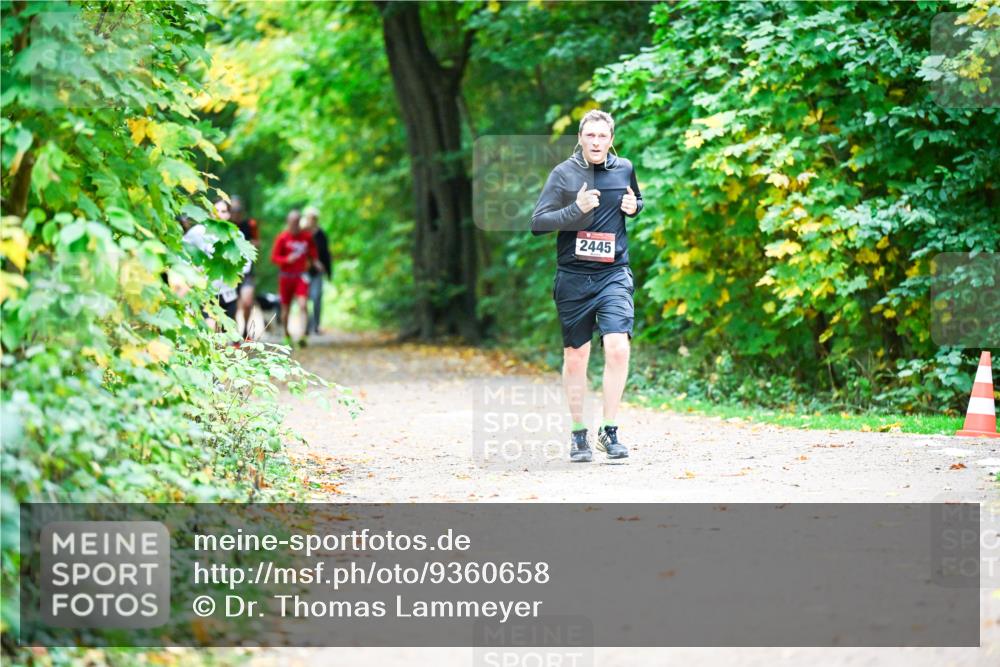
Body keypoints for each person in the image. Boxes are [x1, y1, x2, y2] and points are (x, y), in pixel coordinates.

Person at [530, 109, 644, 462]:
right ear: (580, 138)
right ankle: (578, 432)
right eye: (590, 136)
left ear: (611, 139)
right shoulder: (563, 174)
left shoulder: (623, 168)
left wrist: (635, 206)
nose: (596, 142)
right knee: (576, 357)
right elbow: (537, 223)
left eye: (602, 136)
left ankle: (609, 430)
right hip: (574, 279)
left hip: (613, 274)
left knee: (617, 348)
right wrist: (574, 210)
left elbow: (635, 199)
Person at [270, 209, 323, 346]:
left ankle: (302, 336)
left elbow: (313, 253)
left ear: (300, 222)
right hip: (286, 277)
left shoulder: (306, 237)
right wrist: (287, 259)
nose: (295, 224)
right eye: (292, 222)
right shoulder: (282, 238)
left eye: (297, 222)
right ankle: (287, 334)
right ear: (288, 222)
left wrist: (316, 263)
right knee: (285, 308)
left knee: (303, 304)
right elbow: (274, 258)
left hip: (301, 276)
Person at [229, 196, 260, 340]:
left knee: (247, 302)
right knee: (232, 305)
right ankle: (235, 336)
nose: (236, 213)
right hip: (229, 271)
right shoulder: (225, 225)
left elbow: (257, 243)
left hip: (246, 270)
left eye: (238, 210)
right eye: (233, 210)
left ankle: (246, 330)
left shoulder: (250, 224)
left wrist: (248, 246)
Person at [302, 206, 332, 335]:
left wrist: (329, 271)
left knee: (316, 298)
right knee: (303, 299)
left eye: (314, 218)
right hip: (303, 271)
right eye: (310, 218)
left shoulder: (321, 234)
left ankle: (316, 325)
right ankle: (306, 326)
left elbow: (326, 253)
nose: (312, 220)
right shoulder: (302, 233)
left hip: (318, 272)